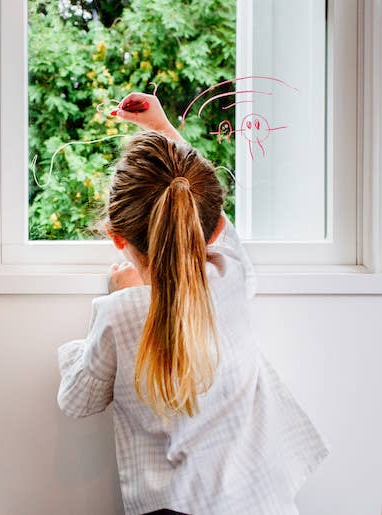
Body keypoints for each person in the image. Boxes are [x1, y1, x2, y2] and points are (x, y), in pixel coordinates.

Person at [57, 92, 328, 515]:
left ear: (116, 237)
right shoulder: (231, 277)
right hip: (261, 503)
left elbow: (76, 400)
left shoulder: (120, 314)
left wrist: (119, 298)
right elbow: (202, 205)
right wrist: (164, 129)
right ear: (212, 229)